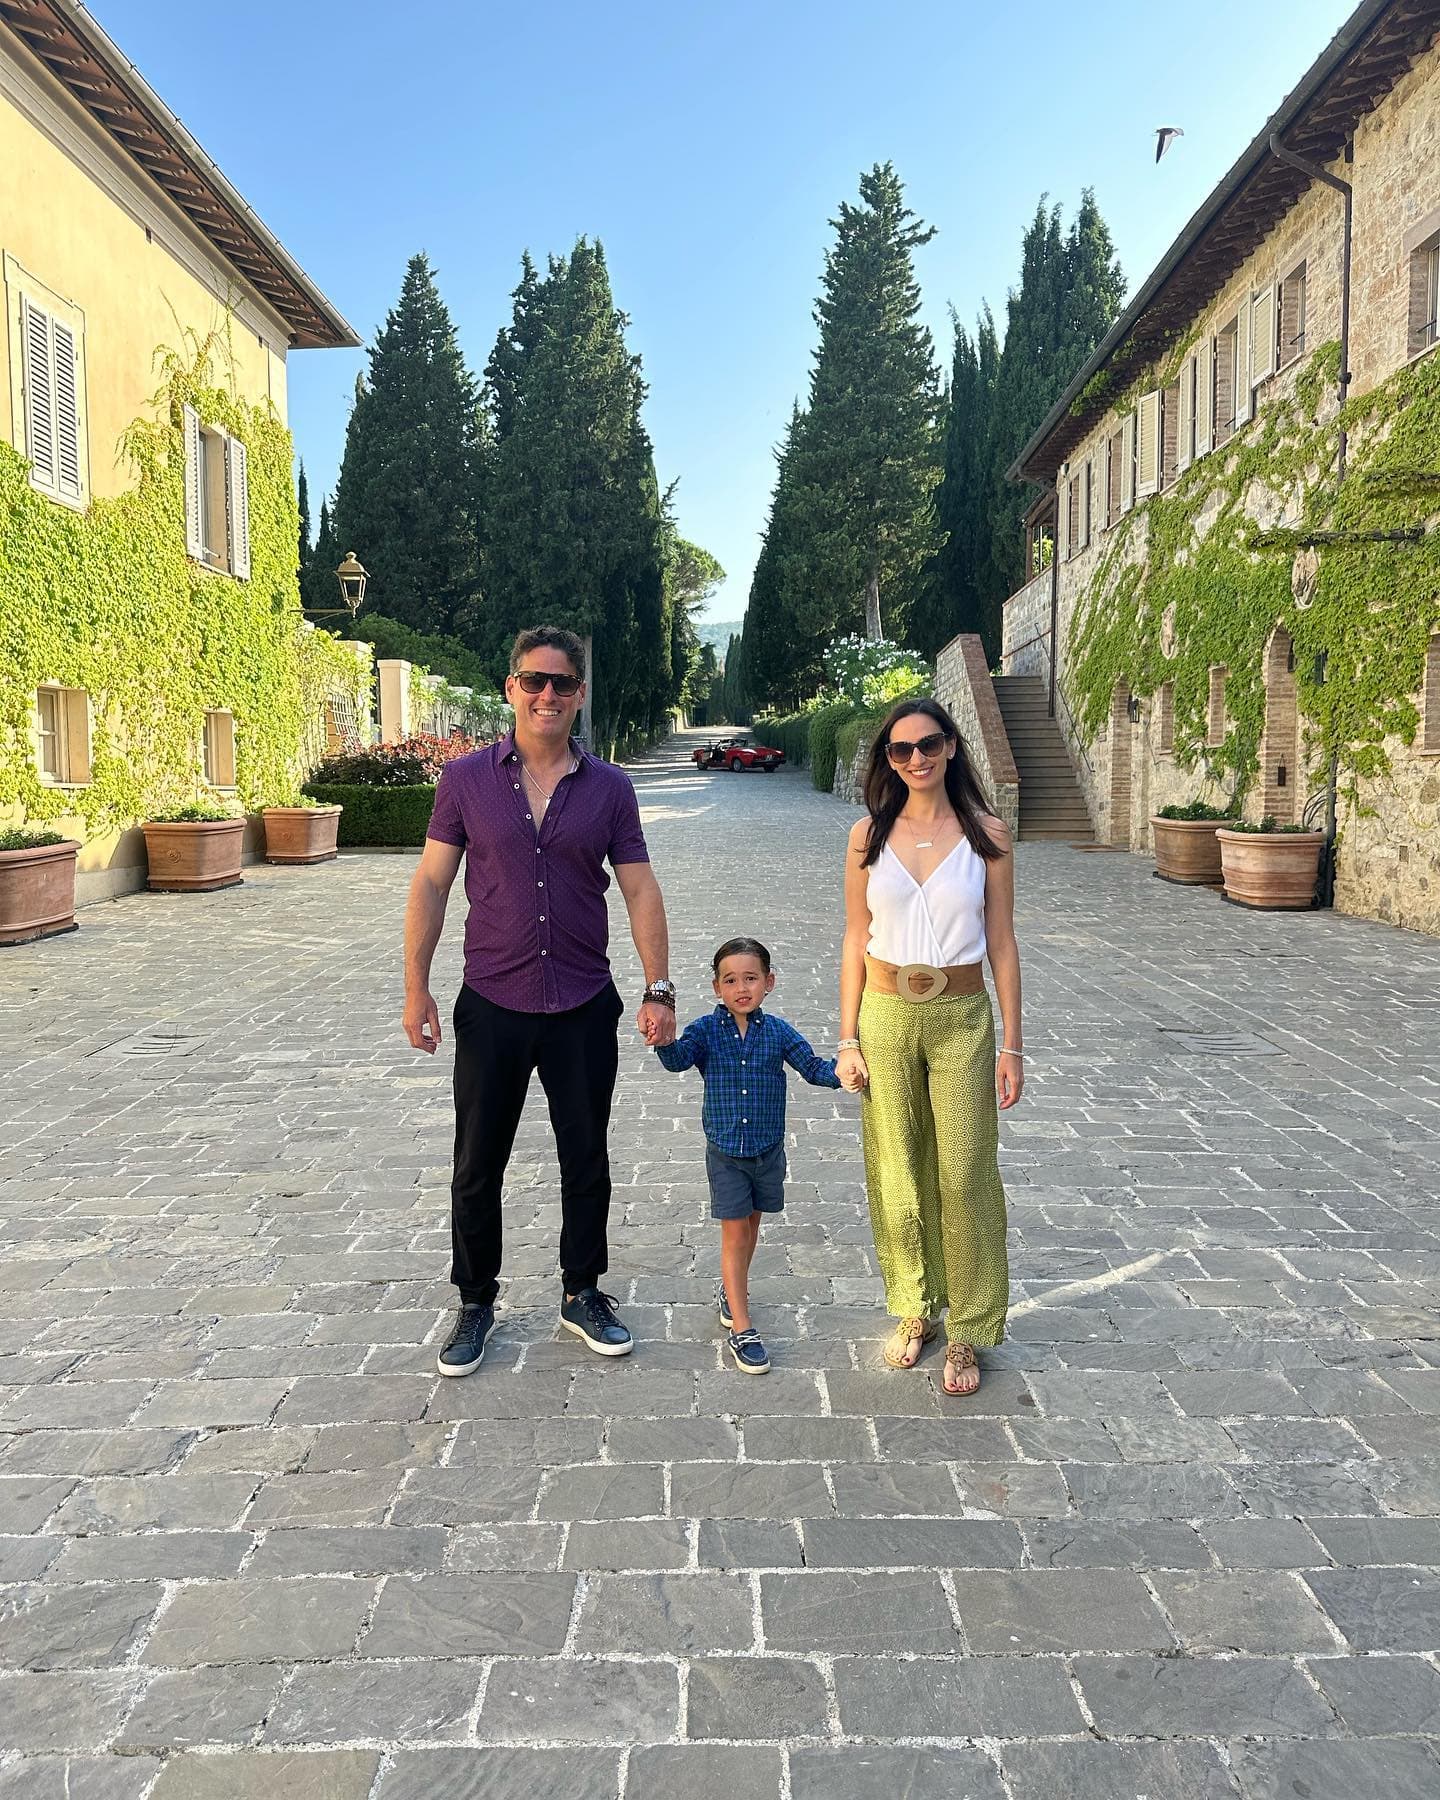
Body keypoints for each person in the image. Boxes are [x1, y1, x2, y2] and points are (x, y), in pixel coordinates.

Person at [402, 625, 677, 1376]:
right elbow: (432, 882)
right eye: (534, 680)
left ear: (579, 695)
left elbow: (640, 888)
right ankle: (475, 1300)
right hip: (492, 1000)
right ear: (511, 688)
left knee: (585, 1157)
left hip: (583, 1002)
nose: (547, 694)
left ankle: (582, 1291)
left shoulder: (610, 789)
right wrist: (416, 986)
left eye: (561, 683)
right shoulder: (465, 781)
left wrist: (658, 987)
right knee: (476, 1161)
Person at [836, 696, 1023, 1397]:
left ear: (951, 747)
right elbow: (854, 937)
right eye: (901, 749)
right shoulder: (866, 837)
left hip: (962, 1016)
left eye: (928, 744)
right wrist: (847, 1038)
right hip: (884, 1014)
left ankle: (969, 1325)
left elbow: (1002, 942)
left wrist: (1013, 1046)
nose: (916, 758)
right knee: (898, 1169)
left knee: (966, 1173)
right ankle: (915, 1305)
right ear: (887, 760)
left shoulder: (987, 835)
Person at [656, 936, 841, 1374]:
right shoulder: (704, 1031)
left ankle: (731, 1287)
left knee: (751, 1227)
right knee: (736, 1232)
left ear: (769, 982)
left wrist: (851, 1070)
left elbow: (813, 1068)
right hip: (726, 1152)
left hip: (766, 1149)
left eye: (751, 978)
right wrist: (662, 1038)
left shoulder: (778, 1032)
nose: (742, 988)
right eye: (731, 980)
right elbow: (678, 1060)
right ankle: (742, 1326)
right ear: (716, 987)